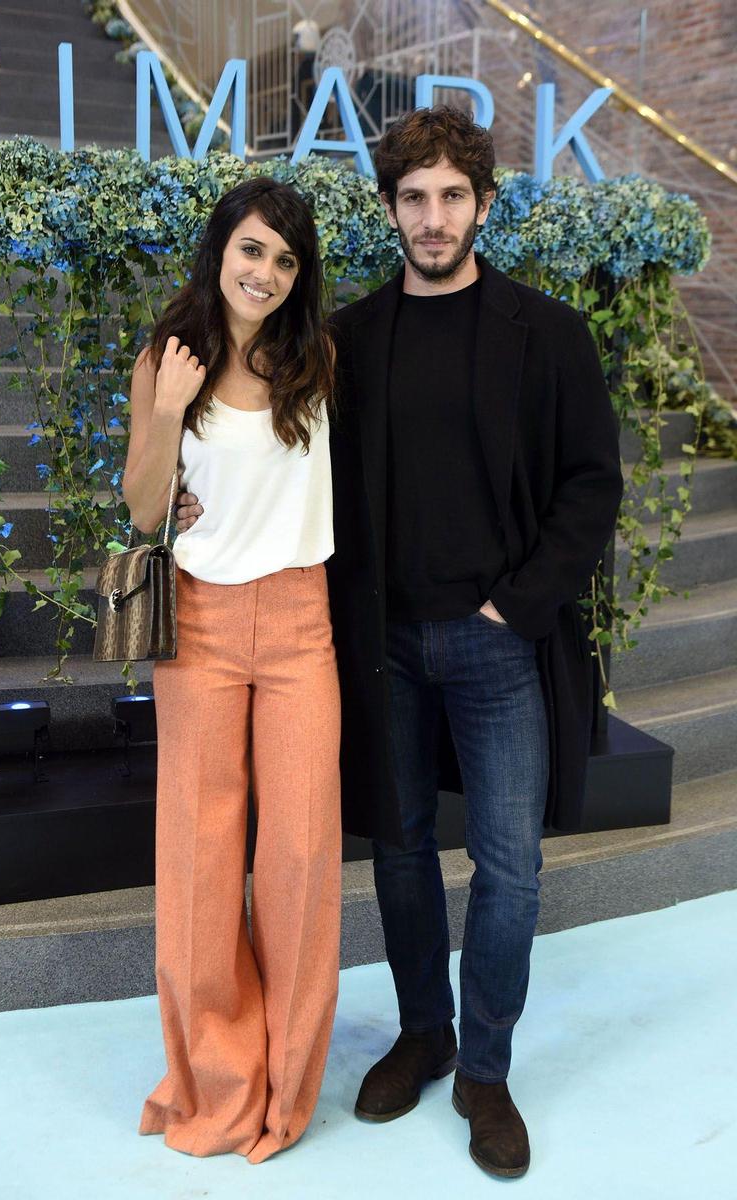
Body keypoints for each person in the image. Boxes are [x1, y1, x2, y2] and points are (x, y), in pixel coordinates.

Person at [177, 106, 624, 1178]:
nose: (432, 218)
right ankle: (420, 1032)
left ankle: (483, 1068)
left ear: (479, 205)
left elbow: (589, 487)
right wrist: (191, 501)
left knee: (508, 870)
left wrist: (512, 608)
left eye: (450, 198)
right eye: (413, 199)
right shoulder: (348, 342)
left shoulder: (546, 334)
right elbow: (268, 447)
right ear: (388, 210)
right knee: (402, 851)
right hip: (377, 643)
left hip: (496, 641)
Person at [122, 177, 341, 1165]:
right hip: (201, 628)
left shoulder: (319, 360)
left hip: (300, 624)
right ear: (220, 249)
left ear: (299, 279)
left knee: (298, 860)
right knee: (202, 864)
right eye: (252, 250)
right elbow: (140, 510)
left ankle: (286, 1091)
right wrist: (169, 409)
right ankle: (215, 1081)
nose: (264, 272)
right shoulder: (169, 357)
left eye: (284, 260)